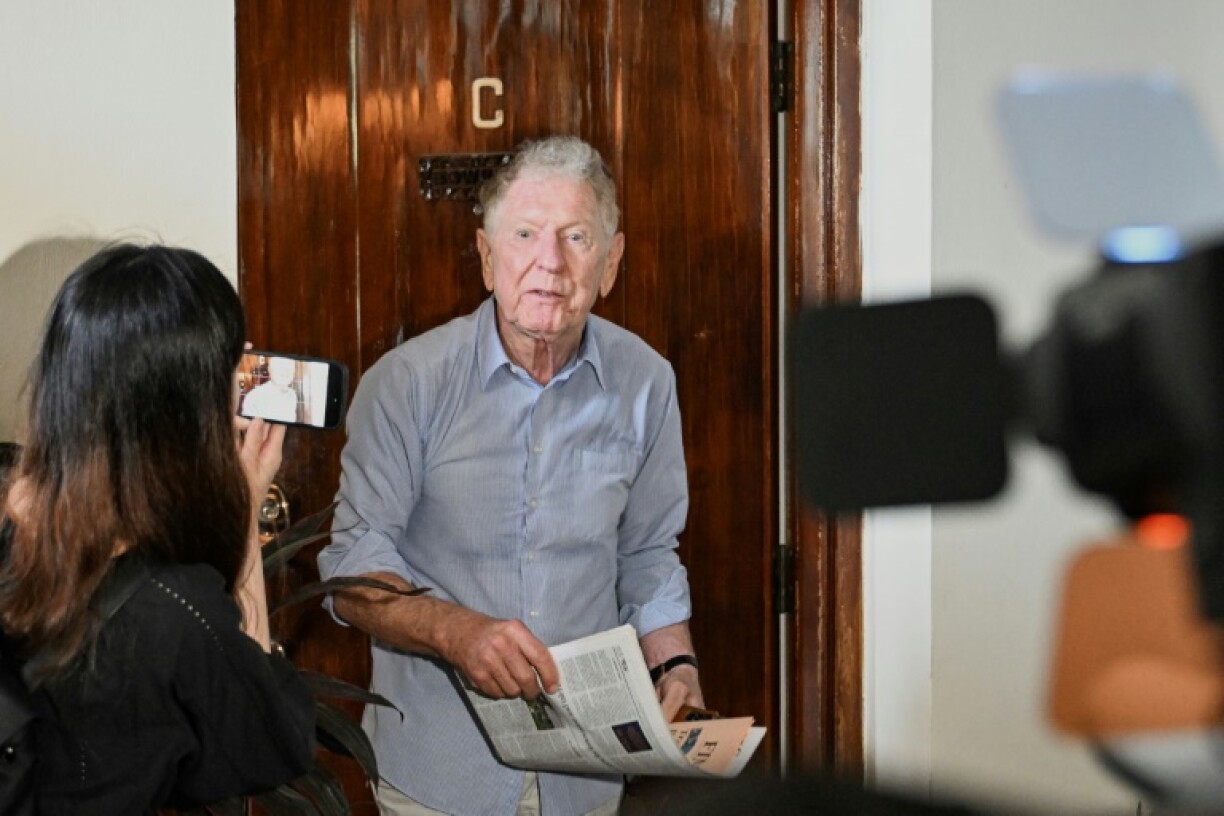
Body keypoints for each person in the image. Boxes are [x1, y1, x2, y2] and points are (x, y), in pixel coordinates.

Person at [319, 135, 702, 816]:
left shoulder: (647, 383)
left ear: (611, 262)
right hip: (438, 772)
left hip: (586, 776)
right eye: (525, 234)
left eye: (576, 237)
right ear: (487, 256)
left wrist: (675, 663)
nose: (549, 263)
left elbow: (646, 553)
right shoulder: (408, 385)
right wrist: (454, 631)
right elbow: (351, 567)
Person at [0, 244, 316, 814]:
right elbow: (274, 742)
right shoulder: (175, 608)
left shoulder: (14, 527)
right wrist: (245, 509)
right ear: (186, 413)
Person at [242, 355, 301, 423]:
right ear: (270, 370)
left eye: (290, 367)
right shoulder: (254, 396)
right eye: (281, 366)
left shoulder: (292, 395)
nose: (286, 371)